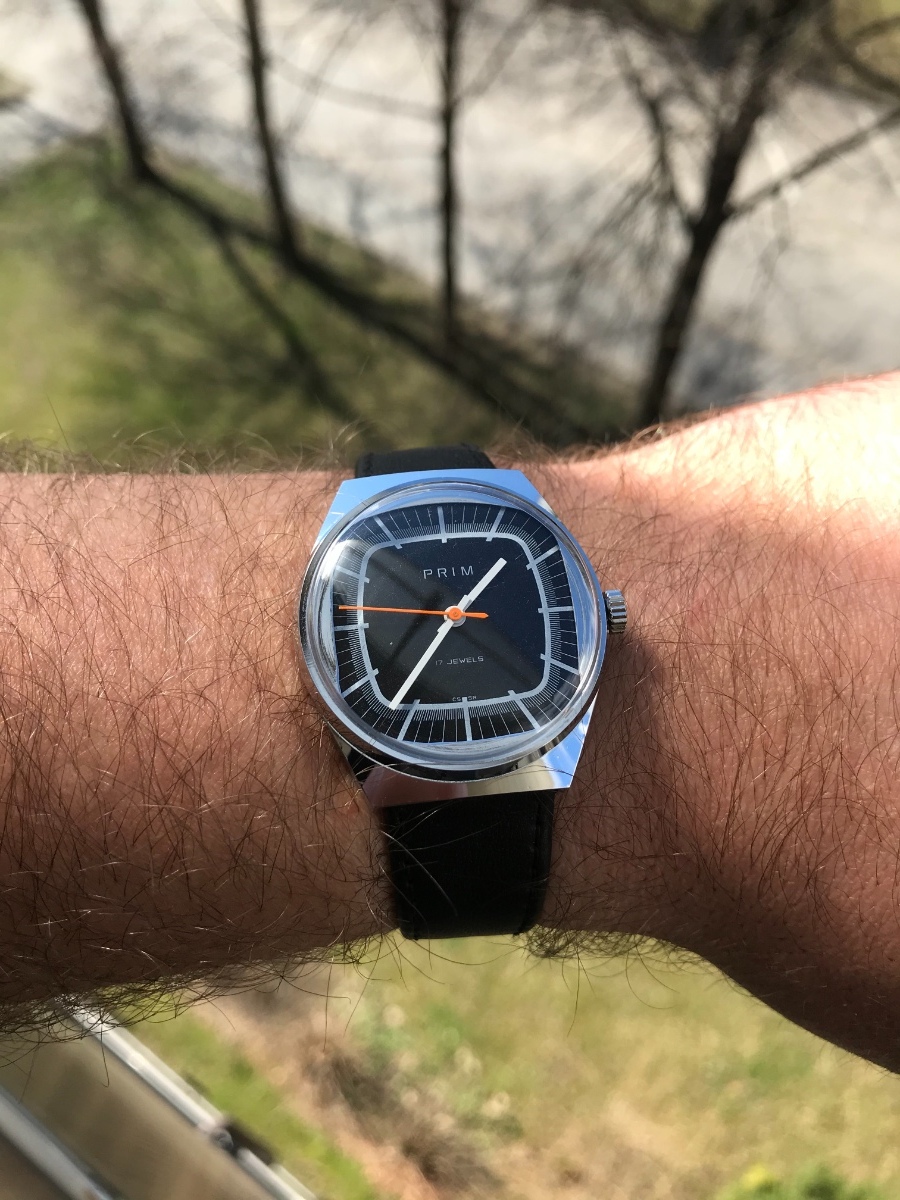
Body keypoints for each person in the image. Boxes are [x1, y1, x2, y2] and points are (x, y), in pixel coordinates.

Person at [0, 375, 897, 1072]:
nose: (461, 617)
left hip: (491, 717)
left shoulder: (562, 639)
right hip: (419, 716)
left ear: (602, 612)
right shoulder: (404, 607)